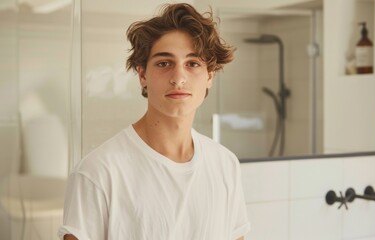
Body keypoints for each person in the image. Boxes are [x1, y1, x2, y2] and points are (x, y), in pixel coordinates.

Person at [58, 3, 250, 240]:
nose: (178, 78)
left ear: (209, 76)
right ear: (142, 75)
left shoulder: (225, 164)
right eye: (164, 63)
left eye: (193, 64)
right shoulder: (98, 172)